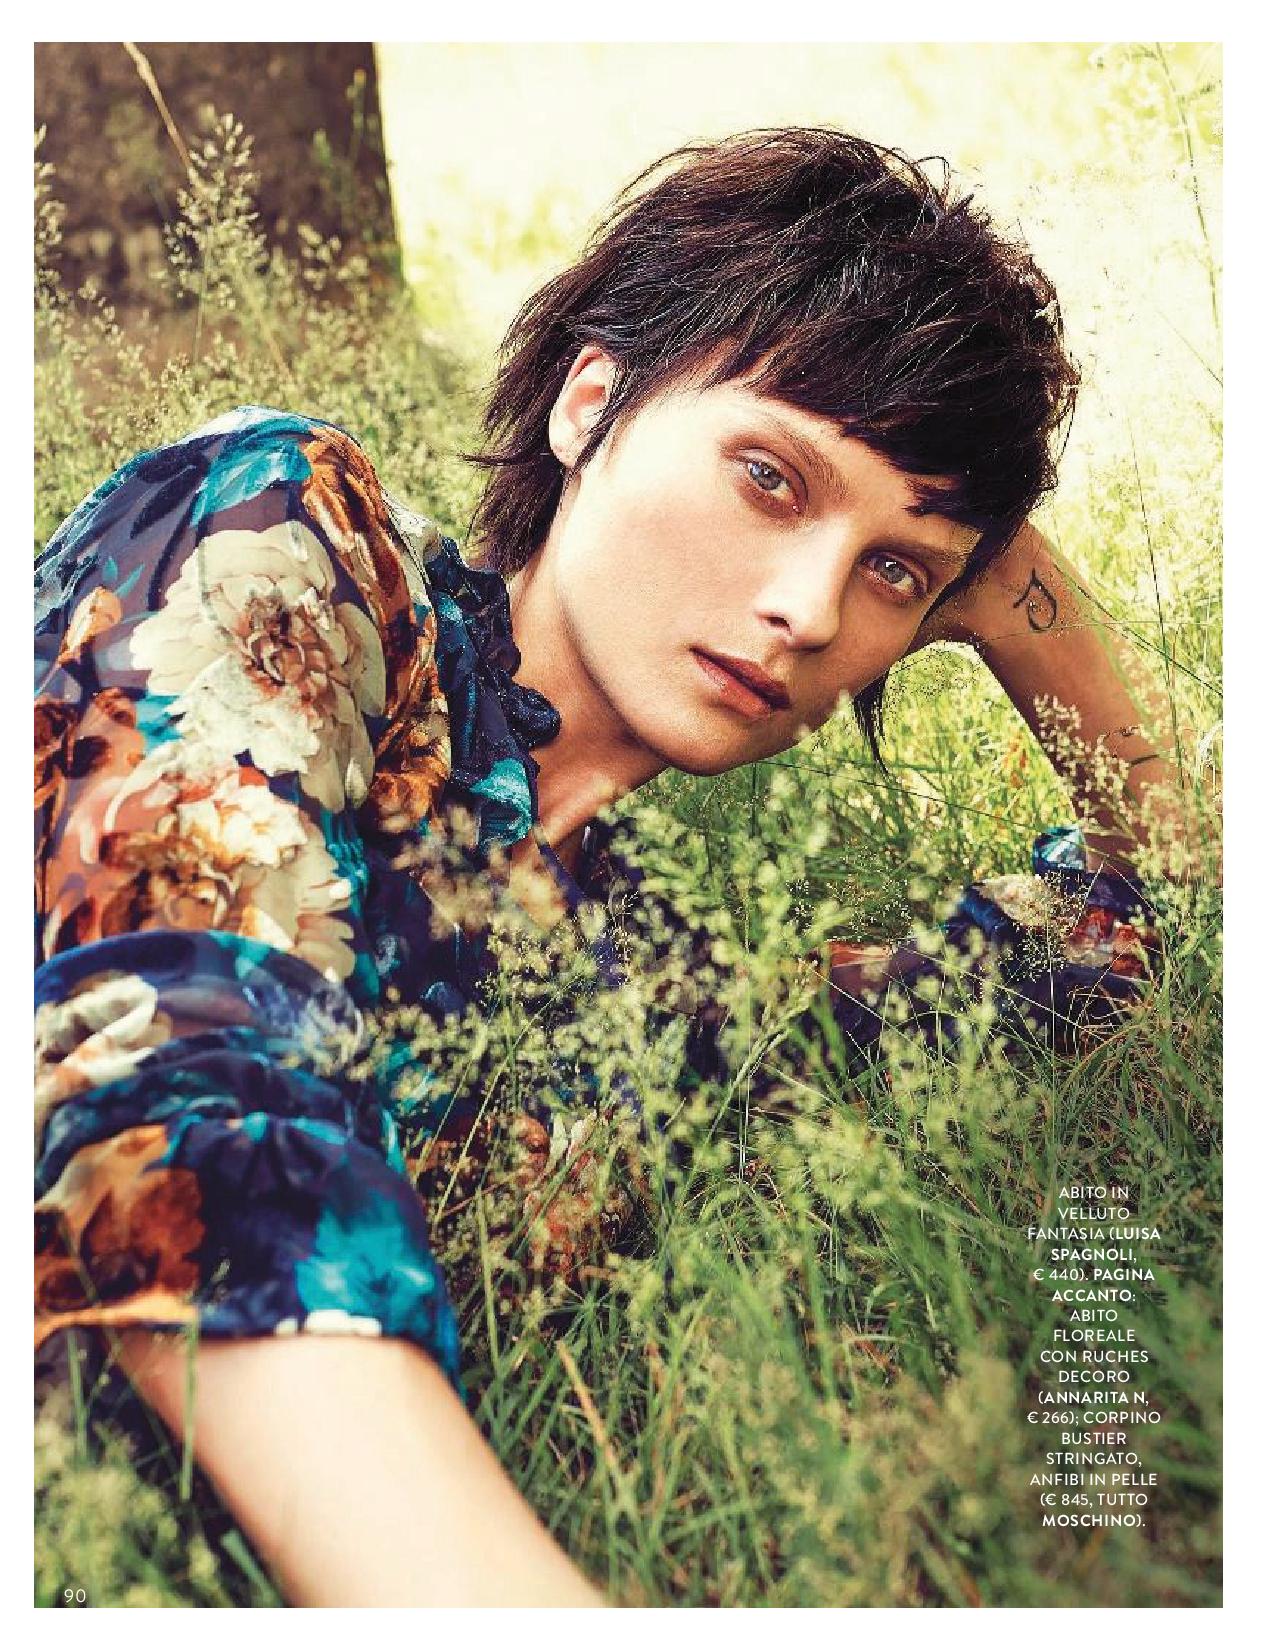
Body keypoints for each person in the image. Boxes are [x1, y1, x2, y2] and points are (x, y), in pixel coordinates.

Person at [34, 129, 1167, 1606]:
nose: (813, 609)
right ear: (590, 404)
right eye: (771, 478)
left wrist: (1024, 608)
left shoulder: (641, 973)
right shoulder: (292, 531)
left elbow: (1093, 941)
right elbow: (172, 1081)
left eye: (894, 570)